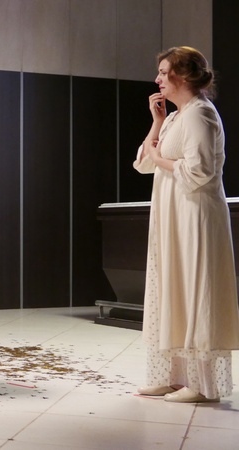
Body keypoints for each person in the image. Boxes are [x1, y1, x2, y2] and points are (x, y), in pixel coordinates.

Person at [133, 46, 239, 403]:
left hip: (195, 214)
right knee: (173, 288)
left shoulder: (200, 114)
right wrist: (157, 122)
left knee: (194, 288)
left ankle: (202, 384)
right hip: (173, 214)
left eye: (164, 73)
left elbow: (200, 171)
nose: (158, 79)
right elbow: (143, 163)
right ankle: (174, 376)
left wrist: (160, 156)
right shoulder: (176, 117)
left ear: (183, 76)